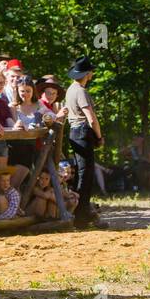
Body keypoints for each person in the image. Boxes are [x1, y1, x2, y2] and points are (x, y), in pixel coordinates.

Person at [64, 56, 106, 227]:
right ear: (88, 74)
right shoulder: (81, 91)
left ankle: (81, 212)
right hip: (82, 132)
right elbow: (91, 118)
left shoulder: (71, 89)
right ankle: (81, 216)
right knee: (85, 175)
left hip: (74, 132)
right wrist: (99, 136)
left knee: (82, 174)